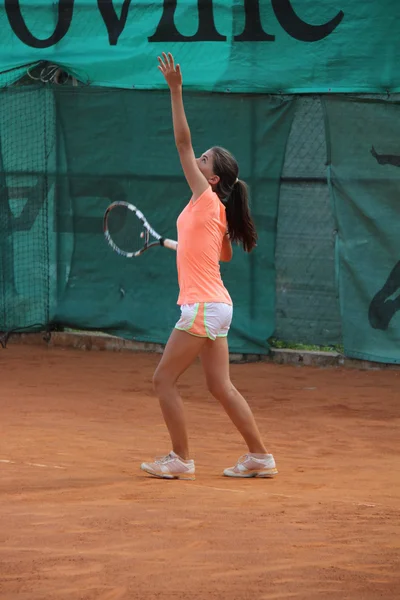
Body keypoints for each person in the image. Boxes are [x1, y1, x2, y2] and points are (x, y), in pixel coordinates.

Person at [140, 53, 277, 480]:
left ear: (213, 179)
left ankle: (180, 458)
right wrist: (172, 243)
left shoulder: (204, 197)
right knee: (220, 386)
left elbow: (181, 142)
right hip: (219, 306)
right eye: (199, 158)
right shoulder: (215, 211)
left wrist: (176, 89)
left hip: (200, 306)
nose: (195, 161)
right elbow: (220, 255)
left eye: (203, 161)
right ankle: (260, 456)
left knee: (163, 380)